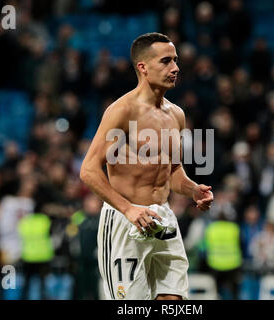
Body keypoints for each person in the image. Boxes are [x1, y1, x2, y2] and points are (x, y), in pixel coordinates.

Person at [80, 32, 214, 300]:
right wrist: (128, 209)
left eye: (175, 60)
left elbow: (172, 171)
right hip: (125, 220)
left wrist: (192, 189)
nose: (175, 68)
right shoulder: (122, 110)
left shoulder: (176, 114)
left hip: (162, 218)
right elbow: (89, 170)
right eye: (166, 61)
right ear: (143, 67)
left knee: (174, 301)